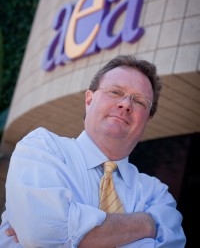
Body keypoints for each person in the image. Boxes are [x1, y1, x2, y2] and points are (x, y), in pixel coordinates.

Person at [0, 54, 186, 247]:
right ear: (89, 101)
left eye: (139, 101)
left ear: (146, 119)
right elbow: (44, 233)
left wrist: (68, 232)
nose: (126, 104)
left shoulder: (156, 194)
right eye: (115, 92)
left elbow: (49, 237)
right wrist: (146, 224)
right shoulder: (42, 148)